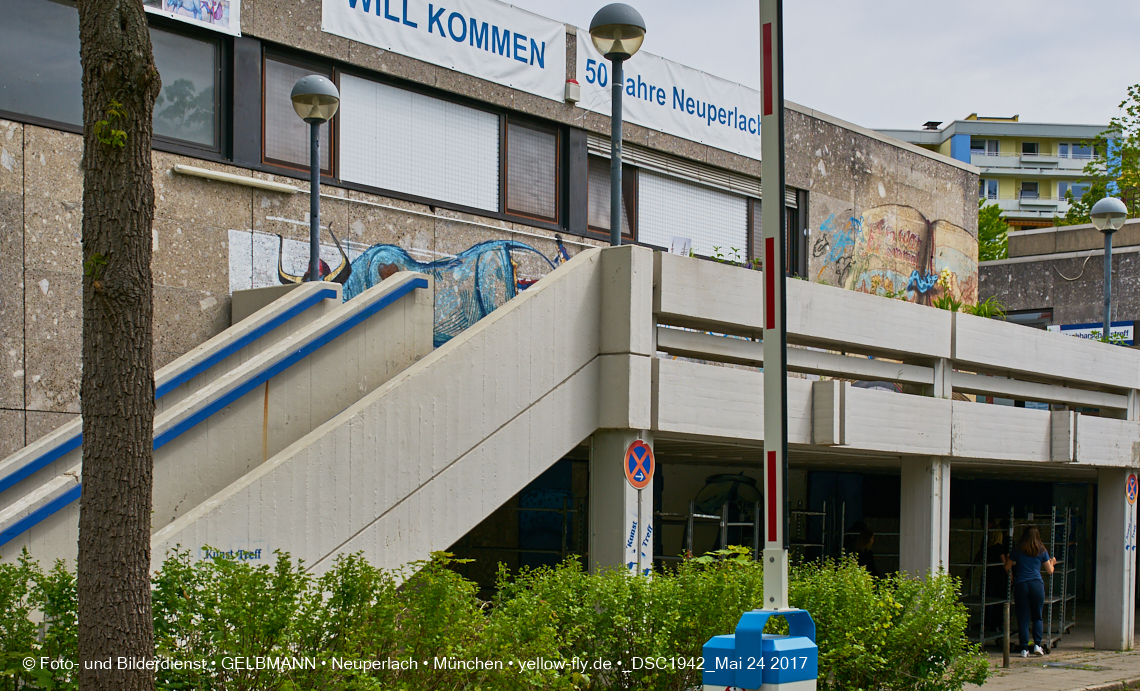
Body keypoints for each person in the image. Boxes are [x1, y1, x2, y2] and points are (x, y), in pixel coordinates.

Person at [1004, 526, 1056, 657]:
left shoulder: (1017, 549)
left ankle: (1024, 648)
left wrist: (1009, 558)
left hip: (1021, 585)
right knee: (1037, 616)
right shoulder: (1042, 550)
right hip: (1037, 585)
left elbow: (1007, 567)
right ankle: (1037, 645)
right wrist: (1053, 562)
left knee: (1023, 618)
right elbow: (1049, 571)